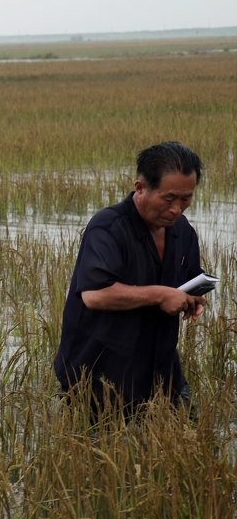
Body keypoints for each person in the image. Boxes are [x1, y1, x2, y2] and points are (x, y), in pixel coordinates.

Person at [54, 141, 208, 417]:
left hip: (160, 367)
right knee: (99, 454)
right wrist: (161, 295)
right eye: (169, 198)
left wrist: (192, 299)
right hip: (99, 375)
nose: (177, 209)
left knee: (190, 438)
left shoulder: (182, 231)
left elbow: (189, 279)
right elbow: (95, 294)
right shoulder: (108, 228)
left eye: (186, 199)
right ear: (141, 188)